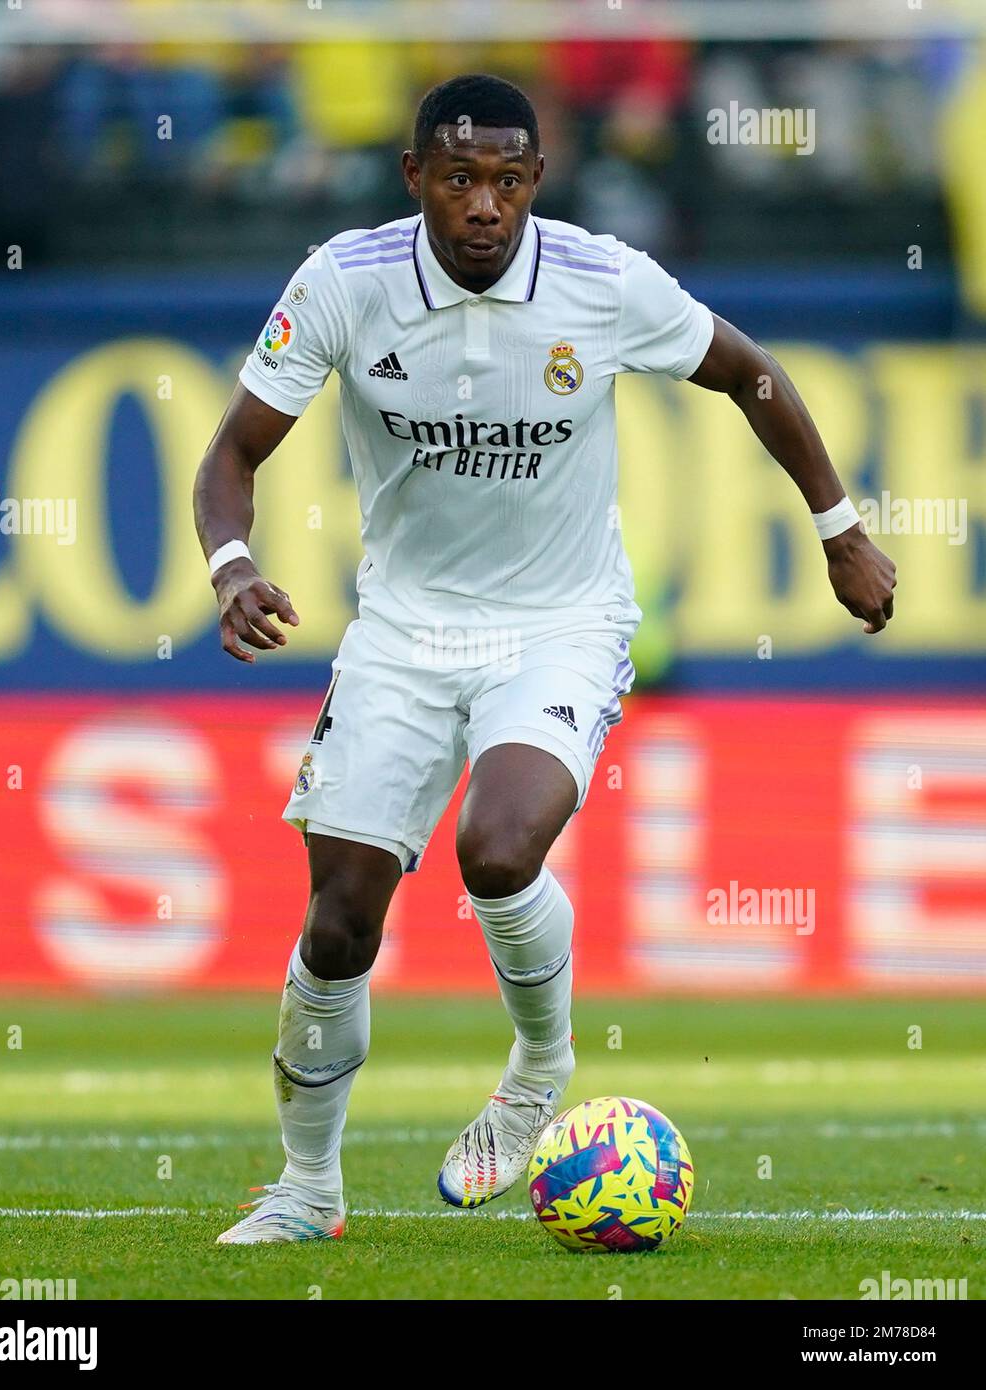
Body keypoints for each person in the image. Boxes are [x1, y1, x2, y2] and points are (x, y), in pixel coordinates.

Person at [193, 73, 896, 1244]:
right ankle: (307, 1190)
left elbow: (748, 372)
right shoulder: (343, 280)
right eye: (459, 179)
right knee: (337, 925)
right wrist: (229, 566)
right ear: (413, 176)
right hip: (403, 633)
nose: (484, 205)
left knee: (497, 845)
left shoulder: (599, 277)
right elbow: (232, 453)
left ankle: (536, 1072)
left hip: (559, 622)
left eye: (508, 181)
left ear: (535, 183)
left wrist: (839, 530)